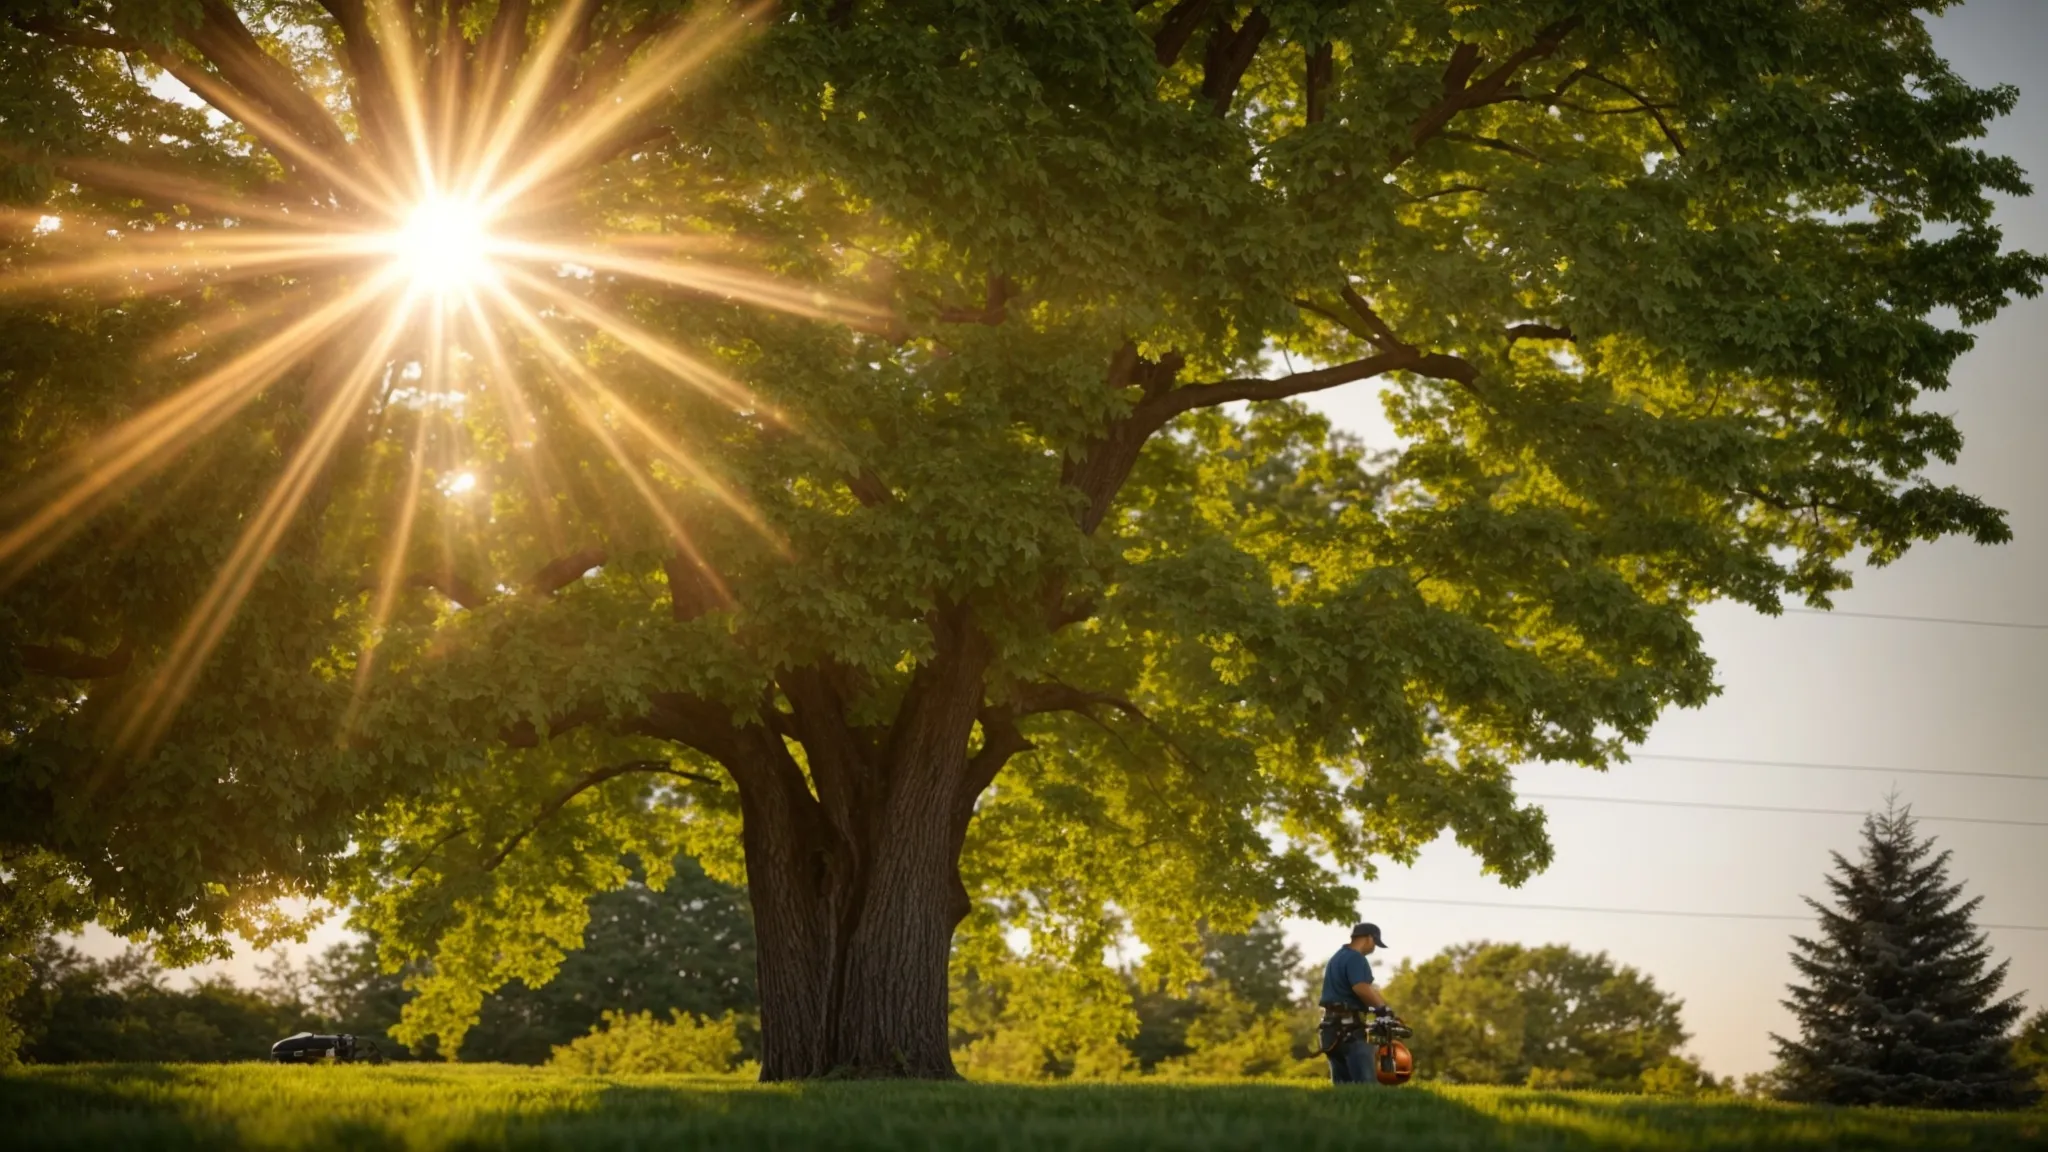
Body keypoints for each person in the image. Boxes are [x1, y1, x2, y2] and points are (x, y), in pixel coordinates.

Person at [1317, 921, 1402, 1085]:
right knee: (1366, 1086)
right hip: (1351, 1031)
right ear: (1369, 938)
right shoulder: (1357, 958)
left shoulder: (1337, 957)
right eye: (1375, 943)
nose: (1373, 948)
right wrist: (1383, 1011)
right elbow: (1361, 987)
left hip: (1330, 1029)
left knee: (1343, 1088)